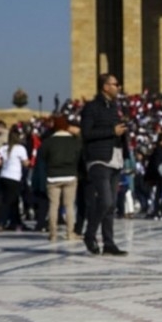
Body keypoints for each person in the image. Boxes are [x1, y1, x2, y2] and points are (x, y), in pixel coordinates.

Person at [80, 73, 129, 256]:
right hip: (99, 159)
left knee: (111, 205)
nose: (119, 87)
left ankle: (109, 243)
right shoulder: (92, 108)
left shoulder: (115, 107)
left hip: (115, 158)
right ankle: (90, 234)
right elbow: (86, 133)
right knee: (106, 200)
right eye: (116, 84)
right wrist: (112, 131)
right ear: (105, 87)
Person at [39, 115, 82, 242]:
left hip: (53, 176)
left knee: (53, 205)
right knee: (69, 206)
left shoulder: (48, 141)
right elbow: (79, 153)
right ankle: (70, 233)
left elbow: (42, 157)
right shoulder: (74, 141)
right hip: (70, 175)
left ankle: (53, 234)